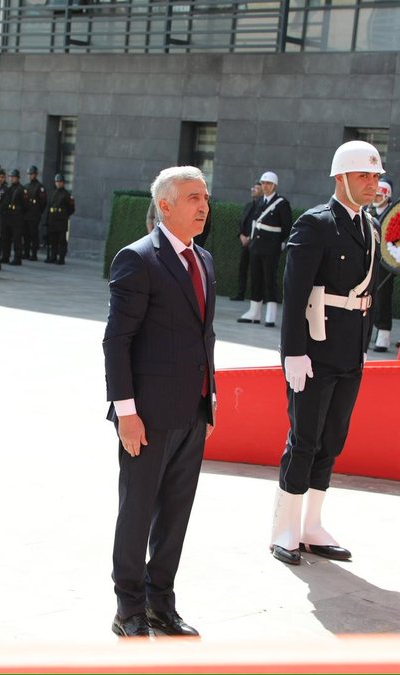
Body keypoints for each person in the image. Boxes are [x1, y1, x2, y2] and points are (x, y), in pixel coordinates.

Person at [104, 165, 215, 639]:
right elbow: (117, 342)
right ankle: (128, 609)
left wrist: (208, 401)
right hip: (147, 416)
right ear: (165, 205)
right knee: (137, 512)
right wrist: (126, 413)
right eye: (193, 198)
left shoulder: (203, 259)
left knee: (175, 514)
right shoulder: (138, 259)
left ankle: (160, 604)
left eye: (205, 197)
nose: (204, 206)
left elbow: (204, 336)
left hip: (192, 411)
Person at [271, 140, 382, 567]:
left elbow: (367, 296)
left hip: (349, 352)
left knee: (332, 439)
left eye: (375, 176)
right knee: (304, 440)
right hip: (314, 354)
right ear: (340, 178)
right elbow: (295, 293)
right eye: (363, 176)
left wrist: (362, 348)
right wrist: (293, 353)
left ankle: (312, 526)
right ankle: (285, 528)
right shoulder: (315, 224)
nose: (372, 183)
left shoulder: (369, 227)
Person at [238, 171, 292, 328]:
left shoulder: (282, 203)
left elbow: (287, 227)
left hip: (271, 247)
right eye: (263, 183)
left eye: (268, 184)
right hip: (256, 246)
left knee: (270, 280)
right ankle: (254, 313)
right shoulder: (259, 201)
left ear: (275, 186)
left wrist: (280, 243)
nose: (265, 186)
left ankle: (271, 315)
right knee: (255, 279)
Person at [367, 180, 394, 352]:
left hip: (387, 260)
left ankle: (384, 335)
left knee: (383, 297)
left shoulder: (394, 213)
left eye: (379, 195)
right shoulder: (368, 211)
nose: (376, 198)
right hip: (369, 259)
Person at [231, 182, 263, 301]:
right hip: (244, 243)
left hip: (256, 243)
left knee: (257, 271)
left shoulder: (262, 206)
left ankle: (257, 296)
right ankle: (240, 294)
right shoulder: (248, 205)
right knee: (242, 268)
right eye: (253, 187)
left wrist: (250, 238)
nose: (253, 189)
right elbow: (241, 222)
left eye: (256, 188)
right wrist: (241, 236)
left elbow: (260, 225)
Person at [0, 169, 27, 265]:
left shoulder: (22, 189)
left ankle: (17, 258)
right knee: (6, 237)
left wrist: (21, 215)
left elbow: (26, 205)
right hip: (8, 216)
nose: (12, 179)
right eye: (10, 177)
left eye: (13, 177)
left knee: (16, 238)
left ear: (18, 178)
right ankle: (5, 256)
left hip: (17, 217)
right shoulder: (8, 189)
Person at [46, 173, 75, 264]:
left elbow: (71, 209)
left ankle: (61, 258)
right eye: (57, 182)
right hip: (52, 220)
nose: (58, 183)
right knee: (53, 240)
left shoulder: (67, 194)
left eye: (60, 182)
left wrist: (64, 215)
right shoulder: (53, 193)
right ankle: (53, 256)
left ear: (63, 183)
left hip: (61, 221)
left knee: (61, 240)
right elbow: (49, 207)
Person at [23, 165, 48, 261]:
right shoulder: (26, 186)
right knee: (26, 234)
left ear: (36, 175)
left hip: (34, 215)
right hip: (26, 214)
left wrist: (38, 211)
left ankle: (34, 254)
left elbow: (43, 202)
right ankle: (26, 252)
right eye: (29, 174)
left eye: (32, 174)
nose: (30, 176)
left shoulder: (39, 187)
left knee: (33, 234)